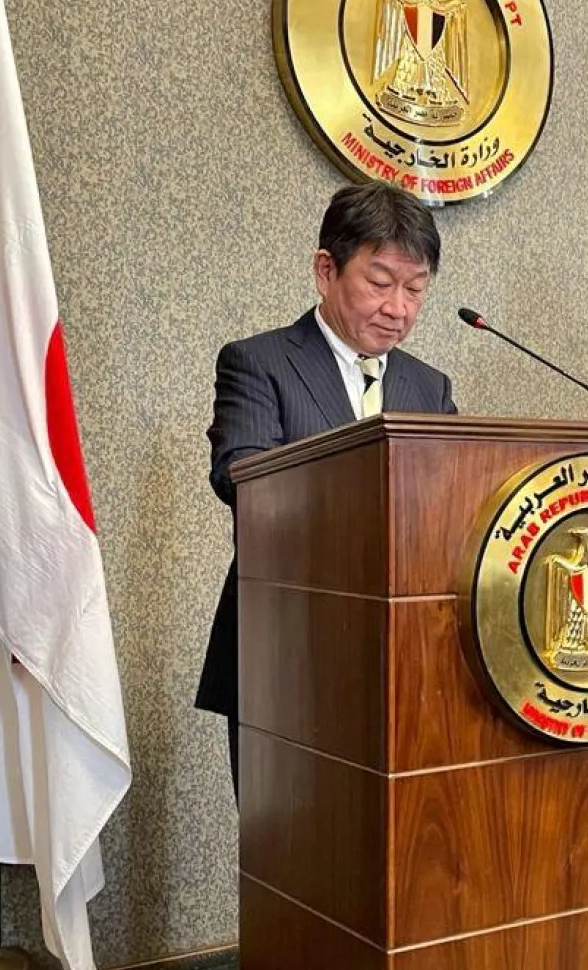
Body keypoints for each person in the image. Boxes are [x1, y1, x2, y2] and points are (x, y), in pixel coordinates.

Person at [196, 183, 457, 799]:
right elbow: (244, 476)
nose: (398, 307)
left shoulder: (430, 387)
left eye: (415, 288)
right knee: (291, 853)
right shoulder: (259, 363)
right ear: (326, 270)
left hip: (406, 665)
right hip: (288, 653)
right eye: (380, 281)